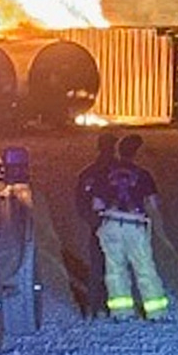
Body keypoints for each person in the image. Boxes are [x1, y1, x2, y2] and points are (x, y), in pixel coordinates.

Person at [92, 133, 170, 322]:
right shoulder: (143, 175)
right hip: (135, 224)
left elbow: (96, 204)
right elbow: (153, 204)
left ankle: (121, 312)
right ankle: (156, 312)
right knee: (144, 267)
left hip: (110, 223)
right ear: (136, 153)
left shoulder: (105, 174)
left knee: (114, 269)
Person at [75, 131, 118, 319]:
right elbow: (82, 202)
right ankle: (100, 306)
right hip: (109, 225)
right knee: (106, 267)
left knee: (102, 267)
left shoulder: (91, 172)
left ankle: (99, 307)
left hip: (107, 224)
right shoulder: (91, 173)